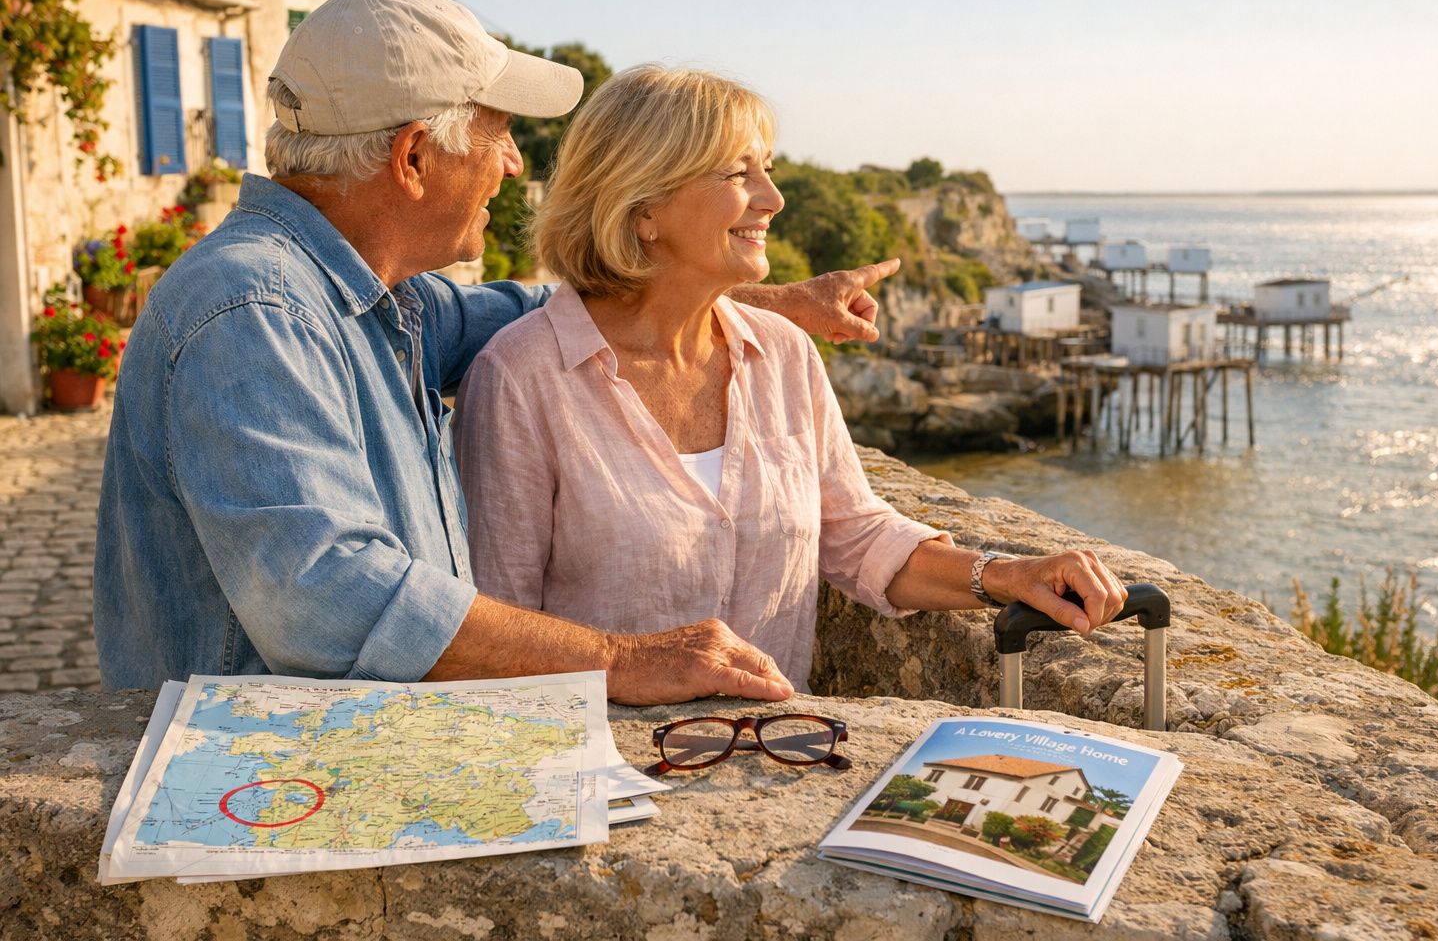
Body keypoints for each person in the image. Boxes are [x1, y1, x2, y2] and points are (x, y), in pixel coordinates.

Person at [92, 0, 895, 703]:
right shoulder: (256, 311)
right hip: (270, 780)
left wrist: (757, 298)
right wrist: (622, 660)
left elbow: (570, 310)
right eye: (498, 133)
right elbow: (327, 595)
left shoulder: (385, 300)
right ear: (413, 157)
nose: (513, 164)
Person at [455, 66, 1128, 693]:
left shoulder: (782, 353)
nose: (773, 199)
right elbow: (498, 633)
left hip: (776, 747)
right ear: (644, 204)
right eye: (738, 173)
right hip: (608, 765)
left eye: (768, 170)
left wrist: (1005, 575)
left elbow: (857, 535)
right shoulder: (521, 377)